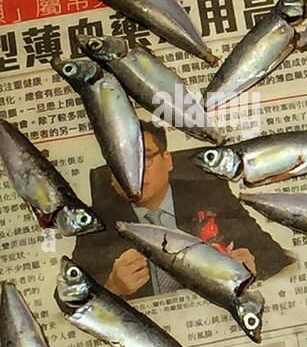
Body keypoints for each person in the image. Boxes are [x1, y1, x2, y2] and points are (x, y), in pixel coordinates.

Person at [71, 120, 294, 297]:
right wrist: (112, 288)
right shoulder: (97, 222)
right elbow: (68, 291)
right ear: (111, 178)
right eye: (120, 164)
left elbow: (273, 255)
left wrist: (250, 268)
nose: (133, 173)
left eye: (145, 159)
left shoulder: (210, 195)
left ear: (167, 161)